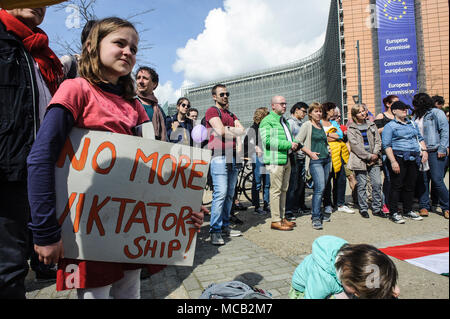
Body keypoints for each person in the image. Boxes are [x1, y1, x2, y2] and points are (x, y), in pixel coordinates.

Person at [26, 17, 205, 299]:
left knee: (130, 293)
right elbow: (40, 158)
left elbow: (153, 169)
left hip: (128, 230)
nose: (128, 52)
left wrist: (183, 208)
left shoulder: (135, 106)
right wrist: (46, 231)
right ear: (91, 47)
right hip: (86, 231)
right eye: (119, 43)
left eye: (134, 48)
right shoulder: (76, 90)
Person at [0, 6, 63, 298]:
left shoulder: (42, 55)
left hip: (37, 175)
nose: (39, 4)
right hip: (7, 173)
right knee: (9, 271)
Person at [289, 235, 400, 299]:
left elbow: (373, 272)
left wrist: (387, 288)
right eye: (357, 290)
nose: (357, 294)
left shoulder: (351, 258)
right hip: (302, 293)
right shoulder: (323, 279)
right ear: (346, 273)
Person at [205, 84, 245, 245]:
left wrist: (227, 128)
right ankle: (215, 230)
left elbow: (242, 130)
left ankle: (225, 226)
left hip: (233, 157)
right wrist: (229, 129)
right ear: (214, 96)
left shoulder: (231, 113)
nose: (225, 96)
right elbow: (220, 131)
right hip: (219, 156)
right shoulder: (212, 111)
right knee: (220, 194)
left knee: (229, 194)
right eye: (222, 94)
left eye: (227, 94)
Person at [260, 96, 302, 231]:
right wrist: (289, 144)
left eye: (285, 103)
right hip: (275, 159)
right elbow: (267, 141)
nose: (284, 106)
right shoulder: (268, 121)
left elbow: (289, 138)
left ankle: (282, 217)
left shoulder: (283, 121)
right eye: (281, 104)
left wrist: (295, 143)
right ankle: (275, 220)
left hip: (286, 158)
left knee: (284, 189)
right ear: (273, 106)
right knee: (276, 190)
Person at [382, 100, 428, 224]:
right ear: (394, 111)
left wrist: (424, 150)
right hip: (399, 157)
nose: (405, 110)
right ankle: (394, 212)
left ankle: (408, 210)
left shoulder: (412, 123)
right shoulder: (390, 126)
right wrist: (393, 161)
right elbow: (387, 145)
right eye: (402, 108)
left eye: (406, 108)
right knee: (396, 185)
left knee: (410, 185)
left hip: (413, 157)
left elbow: (420, 138)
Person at [412, 93, 449, 219]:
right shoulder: (416, 115)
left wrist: (443, 148)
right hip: (421, 151)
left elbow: (445, 131)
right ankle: (424, 206)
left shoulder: (436, 113)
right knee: (422, 180)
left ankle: (446, 207)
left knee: (437, 180)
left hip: (435, 150)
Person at [297, 103, 331, 230]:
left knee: (324, 186)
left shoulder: (320, 125)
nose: (319, 113)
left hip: (326, 159)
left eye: (320, 111)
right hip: (315, 161)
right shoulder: (307, 125)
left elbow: (324, 141)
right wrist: (310, 153)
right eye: (316, 111)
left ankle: (321, 212)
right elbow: (298, 141)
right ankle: (315, 216)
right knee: (319, 188)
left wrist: (328, 149)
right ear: (310, 113)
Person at [347, 104, 384, 219]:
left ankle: (377, 208)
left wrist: (375, 154)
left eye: (364, 111)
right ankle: (363, 208)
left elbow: (378, 140)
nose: (363, 113)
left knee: (377, 184)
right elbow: (355, 146)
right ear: (354, 115)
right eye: (359, 112)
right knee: (362, 185)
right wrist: (368, 156)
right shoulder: (351, 128)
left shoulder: (372, 124)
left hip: (375, 158)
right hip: (360, 160)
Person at [321, 102, 354, 215]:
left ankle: (340, 203)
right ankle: (327, 204)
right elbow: (321, 138)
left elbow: (340, 135)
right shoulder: (319, 123)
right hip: (325, 155)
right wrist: (330, 136)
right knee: (326, 181)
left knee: (340, 179)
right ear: (327, 110)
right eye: (333, 110)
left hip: (339, 155)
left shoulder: (334, 122)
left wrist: (328, 135)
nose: (335, 112)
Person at [285, 102, 310, 221]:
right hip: (294, 157)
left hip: (302, 157)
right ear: (296, 110)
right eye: (303, 111)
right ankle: (289, 209)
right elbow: (291, 139)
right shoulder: (290, 123)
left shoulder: (302, 123)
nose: (305, 114)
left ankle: (299, 204)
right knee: (293, 184)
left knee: (301, 183)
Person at [244, 107, 271, 215]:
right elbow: (245, 143)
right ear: (262, 116)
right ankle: (256, 206)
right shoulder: (253, 128)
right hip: (258, 158)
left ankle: (266, 204)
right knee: (257, 182)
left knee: (267, 183)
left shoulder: (267, 128)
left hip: (267, 156)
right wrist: (255, 147)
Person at [375, 95, 399, 215]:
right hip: (385, 152)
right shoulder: (381, 116)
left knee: (397, 179)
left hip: (398, 150)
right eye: (395, 102)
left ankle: (394, 203)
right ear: (388, 104)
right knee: (388, 179)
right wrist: (388, 127)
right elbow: (375, 131)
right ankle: (385, 203)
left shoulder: (399, 117)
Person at [135, 66, 167, 141]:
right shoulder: (129, 103)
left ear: (154, 84)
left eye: (145, 78)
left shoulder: (159, 110)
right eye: (138, 78)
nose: (140, 81)